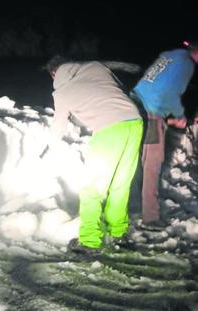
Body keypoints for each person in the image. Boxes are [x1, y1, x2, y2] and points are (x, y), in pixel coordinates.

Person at [45, 55, 143, 254]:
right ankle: (118, 233)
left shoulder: (61, 91)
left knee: (92, 188)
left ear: (54, 73)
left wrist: (49, 148)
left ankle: (90, 241)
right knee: (120, 183)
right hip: (134, 121)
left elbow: (59, 124)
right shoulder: (95, 67)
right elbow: (114, 91)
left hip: (109, 129)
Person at [131, 41, 198, 230]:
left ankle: (128, 205)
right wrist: (179, 116)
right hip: (152, 113)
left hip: (133, 103)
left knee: (132, 158)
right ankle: (150, 217)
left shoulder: (168, 56)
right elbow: (172, 92)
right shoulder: (186, 63)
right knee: (153, 163)